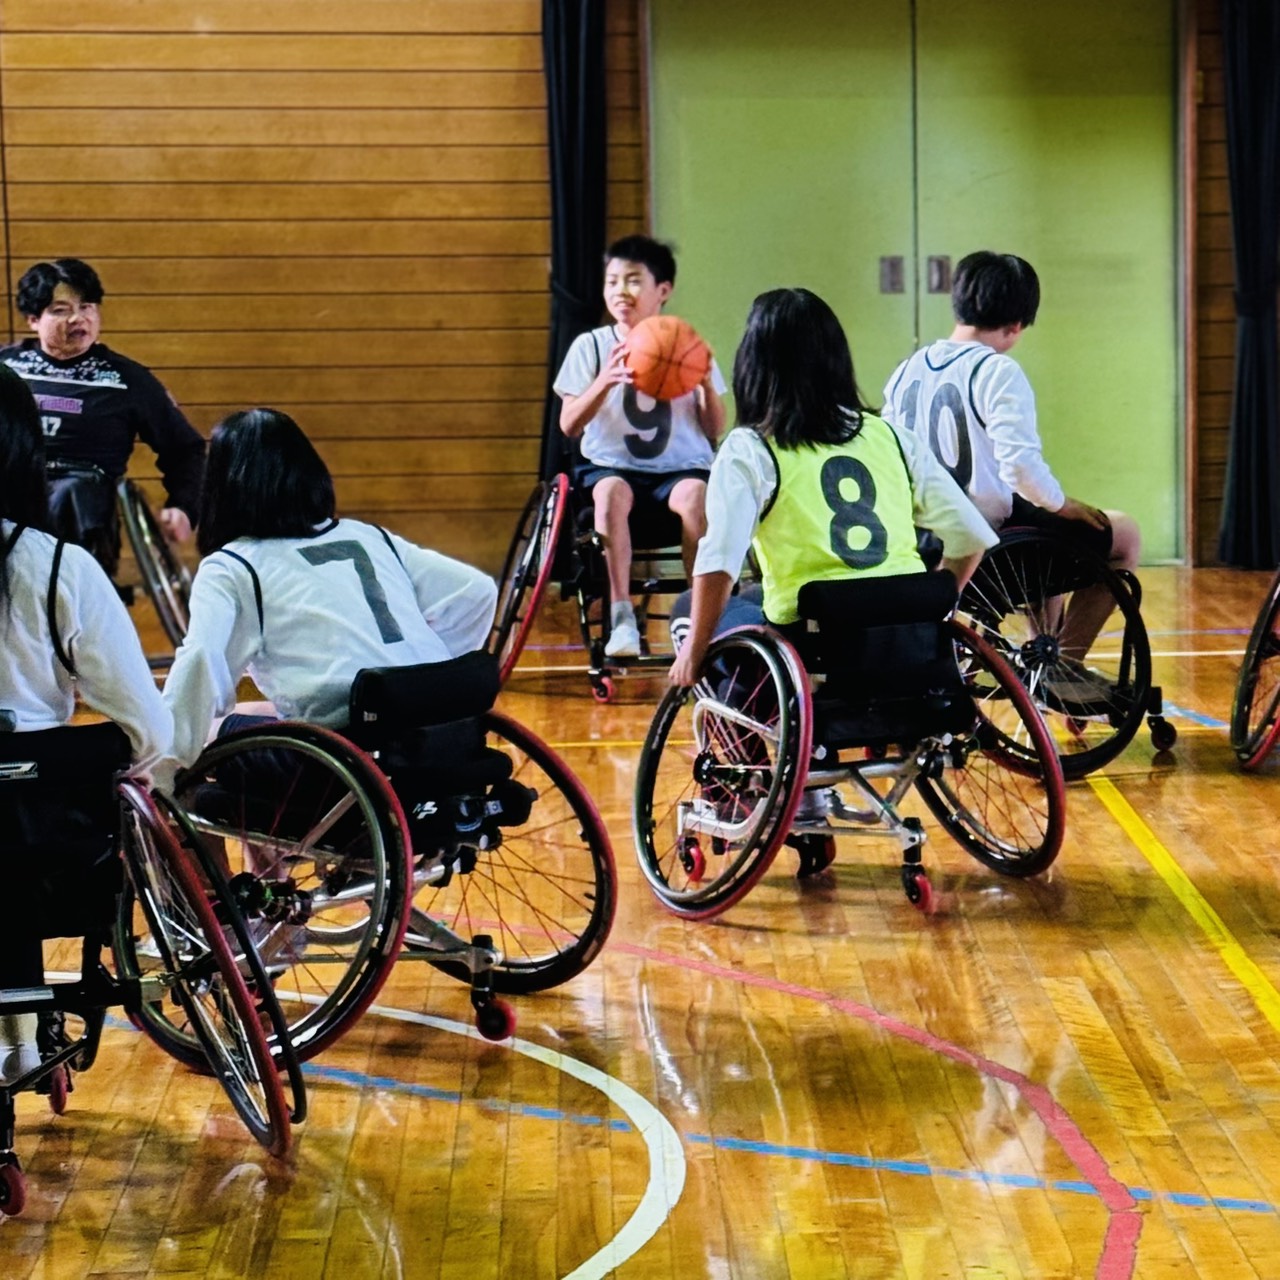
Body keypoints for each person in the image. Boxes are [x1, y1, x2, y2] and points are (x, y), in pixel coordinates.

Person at [668, 286, 997, 690]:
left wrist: (694, 651)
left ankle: (748, 721)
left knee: (690, 608)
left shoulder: (750, 448)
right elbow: (970, 537)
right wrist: (931, 612)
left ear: (752, 364)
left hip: (814, 641)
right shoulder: (891, 435)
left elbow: (719, 562)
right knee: (753, 597)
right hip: (904, 632)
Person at [159, 408, 498, 776]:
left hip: (346, 749)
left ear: (222, 488)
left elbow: (202, 663)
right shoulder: (367, 535)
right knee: (253, 714)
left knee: (197, 738)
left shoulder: (233, 565)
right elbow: (476, 591)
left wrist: (163, 760)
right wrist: (433, 673)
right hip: (432, 724)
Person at [0, 365, 172, 1082]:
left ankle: (19, 1041)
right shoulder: (57, 568)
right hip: (51, 849)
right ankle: (21, 1043)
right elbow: (149, 733)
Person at [880, 250, 1141, 676]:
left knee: (1041, 524)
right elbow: (1019, 468)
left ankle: (1046, 656)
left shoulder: (906, 371)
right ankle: (1063, 669)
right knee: (1123, 534)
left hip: (923, 545)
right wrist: (1063, 504)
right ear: (1017, 325)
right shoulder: (997, 371)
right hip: (988, 547)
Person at [555, 234, 727, 659]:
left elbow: (715, 428)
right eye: (612, 281)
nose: (620, 291)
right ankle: (621, 616)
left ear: (662, 290)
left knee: (697, 496)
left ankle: (699, 615)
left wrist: (705, 385)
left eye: (633, 280)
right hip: (612, 468)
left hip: (679, 470)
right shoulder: (591, 346)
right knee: (610, 492)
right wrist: (604, 381)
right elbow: (569, 425)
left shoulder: (688, 345)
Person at [1, 258, 205, 580]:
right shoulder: (7, 368)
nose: (78, 318)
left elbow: (185, 450)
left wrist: (183, 507)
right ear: (33, 320)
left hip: (82, 500)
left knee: (69, 495)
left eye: (87, 307)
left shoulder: (128, 380)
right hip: (14, 486)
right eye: (60, 310)